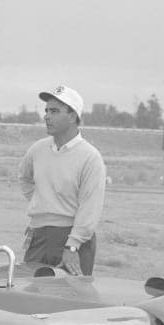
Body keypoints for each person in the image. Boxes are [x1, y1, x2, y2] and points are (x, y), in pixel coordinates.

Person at [18, 85, 106, 276]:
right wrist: (41, 201)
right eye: (47, 110)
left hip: (71, 239)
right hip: (38, 235)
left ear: (73, 116)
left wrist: (72, 246)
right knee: (31, 296)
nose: (47, 116)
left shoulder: (90, 157)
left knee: (70, 300)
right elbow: (24, 178)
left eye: (55, 111)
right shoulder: (37, 150)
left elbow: (90, 207)